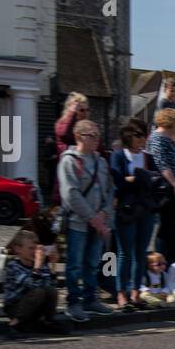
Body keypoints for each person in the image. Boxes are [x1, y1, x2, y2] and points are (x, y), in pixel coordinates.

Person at [57, 119, 115, 322]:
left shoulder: (100, 161)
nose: (97, 140)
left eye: (98, 135)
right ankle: (73, 302)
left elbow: (109, 190)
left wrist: (104, 214)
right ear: (79, 136)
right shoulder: (69, 161)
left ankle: (91, 298)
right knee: (74, 265)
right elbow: (71, 194)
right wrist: (93, 218)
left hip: (98, 221)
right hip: (77, 222)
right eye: (93, 136)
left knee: (93, 263)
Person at [110, 122, 157, 311]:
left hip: (145, 209)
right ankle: (121, 292)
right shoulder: (118, 156)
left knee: (141, 252)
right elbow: (118, 182)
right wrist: (139, 179)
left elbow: (155, 180)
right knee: (125, 252)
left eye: (144, 135)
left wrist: (135, 179)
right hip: (126, 210)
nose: (142, 139)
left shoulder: (148, 158)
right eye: (138, 135)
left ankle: (136, 291)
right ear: (128, 137)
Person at [3, 230, 65, 337]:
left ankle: (48, 322)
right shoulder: (12, 266)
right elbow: (29, 286)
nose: (34, 252)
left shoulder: (40, 264)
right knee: (38, 292)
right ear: (18, 249)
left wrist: (53, 265)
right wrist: (36, 268)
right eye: (30, 248)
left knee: (50, 291)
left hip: (34, 306)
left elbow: (51, 285)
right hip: (15, 307)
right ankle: (14, 325)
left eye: (35, 248)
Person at [147, 109, 175, 264]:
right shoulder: (157, 138)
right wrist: (174, 183)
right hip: (167, 185)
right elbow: (161, 163)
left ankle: (173, 259)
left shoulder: (170, 138)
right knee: (167, 226)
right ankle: (162, 259)